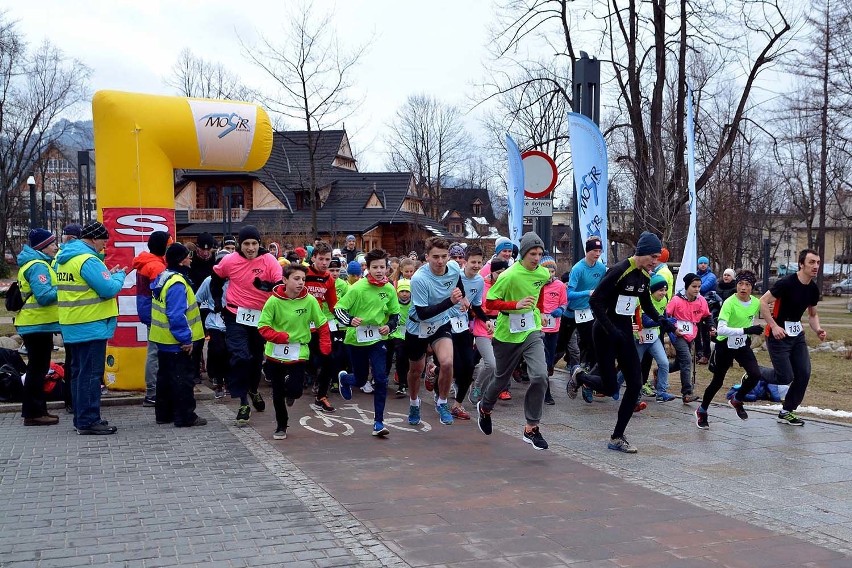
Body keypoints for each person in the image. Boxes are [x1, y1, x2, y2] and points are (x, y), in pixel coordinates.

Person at [568, 231, 671, 453]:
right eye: (653, 257)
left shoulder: (644, 276)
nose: (655, 262)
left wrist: (662, 320)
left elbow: (646, 304)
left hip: (623, 331)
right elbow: (595, 301)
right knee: (609, 386)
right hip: (604, 331)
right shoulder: (619, 271)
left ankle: (617, 437)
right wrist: (610, 329)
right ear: (642, 252)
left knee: (634, 384)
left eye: (658, 258)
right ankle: (580, 376)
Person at [476, 231, 550, 450]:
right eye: (532, 254)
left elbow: (540, 290)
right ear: (523, 254)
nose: (536, 258)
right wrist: (514, 305)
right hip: (507, 333)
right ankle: (485, 408)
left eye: (539, 253)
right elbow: (490, 303)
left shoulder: (543, 273)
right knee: (500, 379)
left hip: (531, 330)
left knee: (540, 376)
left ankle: (531, 428)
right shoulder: (510, 275)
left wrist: (542, 310)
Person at [55, 221, 126, 435]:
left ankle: (81, 417)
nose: (105, 245)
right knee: (91, 375)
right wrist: (119, 276)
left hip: (72, 324)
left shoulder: (64, 259)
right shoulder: (88, 260)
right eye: (104, 240)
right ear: (94, 238)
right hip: (91, 325)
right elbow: (108, 289)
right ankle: (88, 420)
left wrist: (107, 274)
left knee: (78, 373)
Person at [211, 225, 282, 426]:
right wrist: (217, 300)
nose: (250, 248)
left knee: (256, 358)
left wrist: (266, 286)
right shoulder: (230, 260)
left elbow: (279, 285)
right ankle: (243, 402)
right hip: (235, 314)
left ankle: (253, 389)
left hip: (261, 316)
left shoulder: (269, 260)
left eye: (254, 243)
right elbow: (216, 279)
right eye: (246, 244)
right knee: (240, 356)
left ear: (259, 244)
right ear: (239, 245)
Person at [258, 264, 331, 440]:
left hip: (298, 351)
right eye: (296, 279)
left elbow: (322, 323)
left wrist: (325, 343)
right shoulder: (274, 301)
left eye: (303, 279)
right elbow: (263, 327)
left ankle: (291, 393)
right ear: (285, 280)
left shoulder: (310, 300)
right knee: (277, 392)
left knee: (296, 390)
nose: (301, 283)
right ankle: (281, 425)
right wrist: (278, 336)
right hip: (275, 352)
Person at [334, 248, 401, 437]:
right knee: (361, 379)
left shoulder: (389, 288)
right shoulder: (358, 288)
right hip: (356, 340)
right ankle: (345, 379)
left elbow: (395, 315)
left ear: (387, 268)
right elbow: (339, 308)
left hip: (377, 340)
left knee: (380, 379)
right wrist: (349, 320)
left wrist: (389, 326)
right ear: (368, 269)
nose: (379, 271)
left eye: (382, 267)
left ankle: (378, 422)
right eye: (375, 267)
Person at [759, 249, 826, 426]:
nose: (816, 266)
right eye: (812, 262)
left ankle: (787, 411)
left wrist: (818, 329)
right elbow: (763, 302)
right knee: (785, 376)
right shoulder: (786, 283)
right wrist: (774, 326)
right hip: (777, 335)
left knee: (803, 372)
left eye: (818, 263)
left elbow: (812, 314)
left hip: (796, 335)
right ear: (801, 264)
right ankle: (753, 371)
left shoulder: (813, 288)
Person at [404, 237, 464, 427]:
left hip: (441, 323)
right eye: (435, 257)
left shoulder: (454, 268)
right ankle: (414, 403)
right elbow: (423, 313)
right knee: (416, 370)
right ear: (427, 257)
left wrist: (462, 298)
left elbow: (458, 285)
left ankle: (442, 403)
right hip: (417, 326)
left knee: (447, 362)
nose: (440, 261)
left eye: (444, 256)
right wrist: (451, 302)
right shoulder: (420, 279)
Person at [696, 270, 765, 428]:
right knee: (717, 381)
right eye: (740, 284)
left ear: (752, 287)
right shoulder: (729, 303)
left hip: (742, 345)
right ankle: (702, 410)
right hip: (725, 344)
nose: (743, 287)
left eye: (747, 285)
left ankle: (737, 399)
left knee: (755, 374)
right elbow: (721, 329)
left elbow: (769, 306)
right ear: (736, 285)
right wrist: (747, 330)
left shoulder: (755, 302)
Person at [150, 243, 207, 427]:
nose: (190, 259)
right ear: (181, 260)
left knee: (165, 379)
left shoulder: (164, 278)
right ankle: (185, 416)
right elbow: (176, 314)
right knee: (182, 380)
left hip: (162, 338)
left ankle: (164, 414)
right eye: (188, 256)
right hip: (177, 341)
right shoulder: (177, 283)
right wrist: (185, 339)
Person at [15, 229, 60, 426]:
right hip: (36, 325)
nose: (56, 247)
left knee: (38, 368)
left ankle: (38, 410)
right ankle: (34, 413)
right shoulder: (38, 266)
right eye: (52, 244)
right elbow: (44, 296)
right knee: (37, 369)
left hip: (36, 325)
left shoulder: (35, 264)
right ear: (42, 246)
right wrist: (65, 288)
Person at [446, 245, 487, 419]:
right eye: (473, 262)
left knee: (469, 366)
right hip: (446, 323)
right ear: (465, 261)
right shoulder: (454, 276)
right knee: (452, 364)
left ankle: (457, 405)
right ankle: (435, 370)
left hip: (462, 326)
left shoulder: (479, 281)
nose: (476, 265)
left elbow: (475, 305)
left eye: (479, 262)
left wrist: (486, 321)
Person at [132, 230, 170, 407]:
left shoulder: (146, 262)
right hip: (156, 313)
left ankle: (152, 391)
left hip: (148, 311)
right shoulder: (156, 267)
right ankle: (152, 392)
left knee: (153, 351)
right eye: (168, 244)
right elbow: (163, 293)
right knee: (155, 352)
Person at [666, 272, 715, 403]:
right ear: (687, 286)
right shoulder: (676, 300)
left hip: (691, 334)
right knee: (687, 360)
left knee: (679, 363)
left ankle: (660, 371)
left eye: (699, 286)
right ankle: (687, 393)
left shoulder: (701, 300)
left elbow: (707, 315)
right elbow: (666, 316)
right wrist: (673, 329)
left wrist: (711, 326)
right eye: (694, 286)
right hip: (677, 334)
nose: (697, 289)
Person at [561, 236, 606, 370]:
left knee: (592, 343)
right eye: (594, 251)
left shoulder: (601, 268)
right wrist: (588, 292)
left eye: (599, 251)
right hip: (570, 312)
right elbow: (569, 294)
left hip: (586, 311)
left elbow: (603, 287)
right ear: (587, 251)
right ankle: (549, 365)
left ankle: (590, 373)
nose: (597, 254)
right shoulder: (578, 269)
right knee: (561, 344)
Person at [304, 241, 338, 413]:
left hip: (318, 325)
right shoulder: (302, 273)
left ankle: (321, 396)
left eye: (327, 260)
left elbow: (333, 305)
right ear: (313, 258)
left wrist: (348, 318)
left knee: (329, 360)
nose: (325, 263)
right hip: (298, 325)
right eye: (321, 259)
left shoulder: (329, 279)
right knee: (307, 361)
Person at [468, 259, 507, 406]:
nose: (501, 276)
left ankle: (486, 393)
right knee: (491, 364)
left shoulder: (506, 285)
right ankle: (477, 386)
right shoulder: (481, 285)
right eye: (498, 273)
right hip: (482, 328)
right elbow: (474, 308)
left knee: (498, 365)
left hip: (501, 329)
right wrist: (488, 310)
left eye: (504, 273)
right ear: (491, 272)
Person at [195, 251, 230, 398]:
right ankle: (217, 379)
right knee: (217, 349)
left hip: (232, 321)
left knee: (230, 351)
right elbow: (197, 299)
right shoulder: (209, 281)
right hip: (214, 321)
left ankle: (229, 379)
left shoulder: (236, 280)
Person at [539, 255, 567, 406]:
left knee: (550, 363)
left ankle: (541, 377)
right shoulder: (537, 285)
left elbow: (564, 303)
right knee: (544, 361)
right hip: (540, 329)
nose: (549, 275)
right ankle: (546, 394)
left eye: (552, 272)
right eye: (546, 271)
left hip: (554, 328)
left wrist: (560, 310)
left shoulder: (560, 286)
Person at [388, 278, 411, 396]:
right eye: (402, 291)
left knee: (403, 358)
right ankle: (381, 379)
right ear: (397, 292)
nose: (404, 294)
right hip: (393, 332)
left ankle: (403, 383)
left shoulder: (413, 303)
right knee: (389, 356)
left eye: (407, 291)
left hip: (408, 333)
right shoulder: (394, 302)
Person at [695, 256, 718, 363]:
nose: (703, 265)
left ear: (708, 264)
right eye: (701, 263)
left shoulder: (711, 276)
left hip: (708, 307)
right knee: (696, 331)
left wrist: (694, 286)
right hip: (695, 306)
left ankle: (706, 354)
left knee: (705, 331)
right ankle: (698, 353)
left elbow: (703, 287)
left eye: (705, 263)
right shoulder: (695, 274)